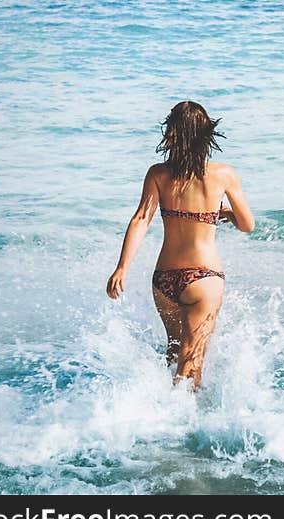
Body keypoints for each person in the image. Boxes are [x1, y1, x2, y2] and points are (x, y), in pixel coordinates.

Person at [106, 101, 255, 389]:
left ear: (172, 133)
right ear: (205, 135)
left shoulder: (158, 174)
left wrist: (122, 267)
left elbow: (141, 219)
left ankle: (165, 414)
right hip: (204, 278)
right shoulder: (223, 174)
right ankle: (186, 423)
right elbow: (248, 224)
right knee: (191, 360)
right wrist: (227, 215)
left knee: (175, 353)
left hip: (164, 281)